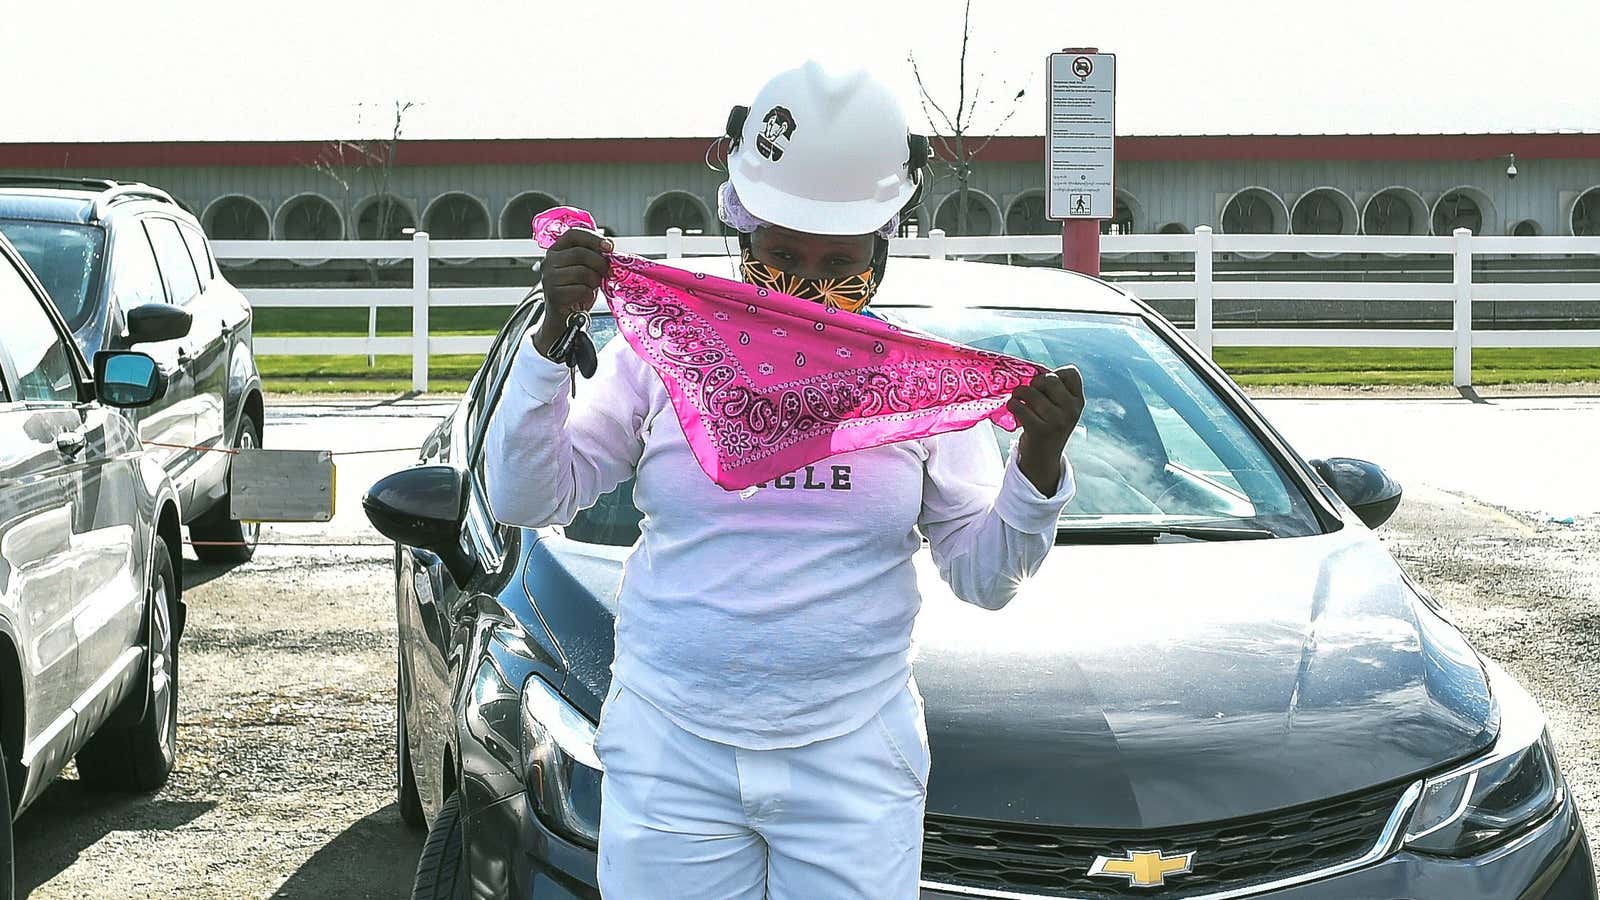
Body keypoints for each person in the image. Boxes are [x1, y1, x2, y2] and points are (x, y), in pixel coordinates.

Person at [484, 60, 1085, 899]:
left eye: (840, 258)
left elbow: (985, 578)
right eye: (782, 254)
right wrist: (552, 340)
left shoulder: (915, 391)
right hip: (671, 747)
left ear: (883, 248)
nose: (807, 281)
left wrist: (1038, 463)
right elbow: (526, 498)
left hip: (853, 756)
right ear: (742, 237)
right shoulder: (662, 360)